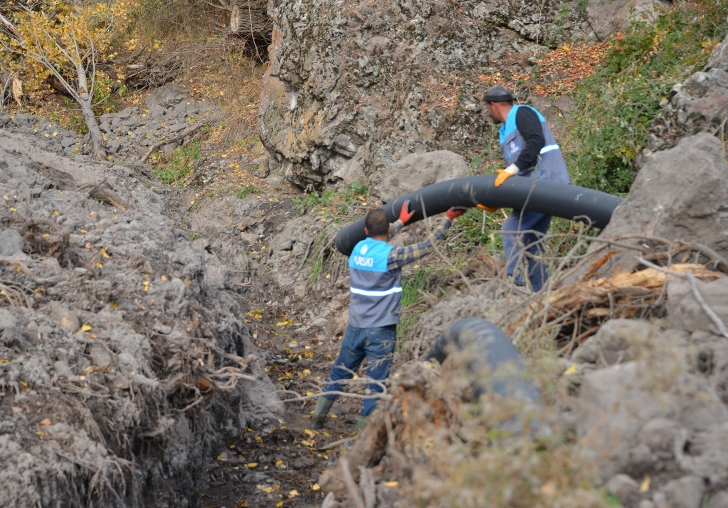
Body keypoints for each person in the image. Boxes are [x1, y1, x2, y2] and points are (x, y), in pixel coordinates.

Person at [310, 202, 465, 430]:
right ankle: (362, 437)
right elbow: (427, 246)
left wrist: (401, 221)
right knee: (375, 385)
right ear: (386, 231)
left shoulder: (357, 249)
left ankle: (316, 421)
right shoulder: (391, 257)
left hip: (355, 327)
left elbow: (380, 234)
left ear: (365, 231)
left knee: (339, 373)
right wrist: (448, 218)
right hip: (381, 331)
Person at [480, 85, 570, 292]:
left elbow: (535, 141)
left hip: (546, 185)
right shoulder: (505, 129)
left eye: (487, 108)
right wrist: (498, 199)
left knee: (510, 229)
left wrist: (511, 169)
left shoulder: (522, 113)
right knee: (532, 243)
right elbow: (519, 171)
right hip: (534, 188)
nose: (488, 113)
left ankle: (515, 284)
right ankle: (542, 293)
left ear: (493, 105)